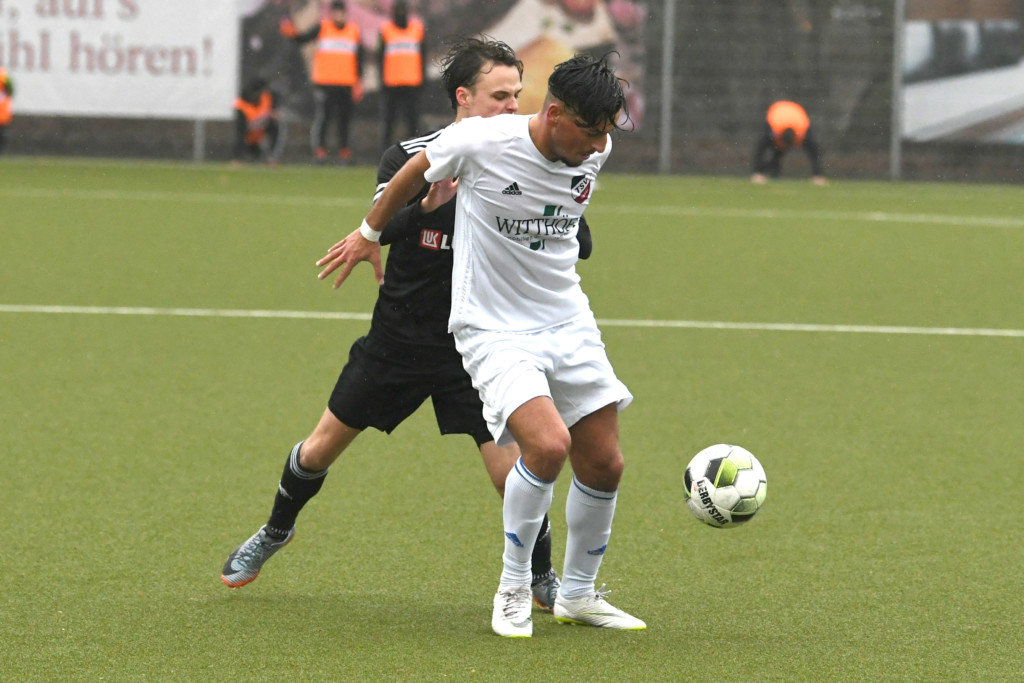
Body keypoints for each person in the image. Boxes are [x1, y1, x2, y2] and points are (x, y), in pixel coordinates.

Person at [221, 38, 585, 613]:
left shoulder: (530, 155)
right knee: (318, 451)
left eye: (517, 94)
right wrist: (431, 206)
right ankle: (275, 530)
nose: (513, 106)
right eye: (499, 95)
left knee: (514, 470)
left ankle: (541, 577)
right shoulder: (410, 156)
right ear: (463, 97)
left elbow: (576, 236)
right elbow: (382, 225)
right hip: (399, 339)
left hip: (481, 349)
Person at [316, 53, 644, 638]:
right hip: (490, 325)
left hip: (567, 319)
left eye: (606, 134)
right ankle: (514, 587)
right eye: (590, 132)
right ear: (555, 113)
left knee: (606, 462)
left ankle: (577, 595)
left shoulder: (595, 150)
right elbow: (415, 168)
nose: (599, 146)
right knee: (545, 447)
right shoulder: (481, 141)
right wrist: (369, 233)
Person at [281, 0, 363, 163]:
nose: (338, 15)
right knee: (324, 117)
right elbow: (303, 39)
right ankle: (320, 150)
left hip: (346, 83)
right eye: (336, 12)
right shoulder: (323, 28)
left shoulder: (353, 31)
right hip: (326, 82)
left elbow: (359, 59)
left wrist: (358, 82)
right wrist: (293, 34)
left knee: (344, 119)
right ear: (332, 13)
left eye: (341, 12)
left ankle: (344, 150)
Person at [377, 0, 426, 152]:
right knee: (389, 121)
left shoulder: (417, 30)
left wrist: (423, 79)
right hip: (391, 82)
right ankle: (385, 151)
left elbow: (423, 56)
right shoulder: (386, 30)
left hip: (412, 82)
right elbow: (380, 58)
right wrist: (382, 81)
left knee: (412, 121)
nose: (401, 14)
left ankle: (414, 152)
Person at [751, 100, 826, 185]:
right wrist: (757, 172)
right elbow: (760, 149)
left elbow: (814, 152)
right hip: (777, 110)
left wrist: (818, 174)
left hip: (795, 113)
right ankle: (761, 173)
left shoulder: (804, 131)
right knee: (773, 150)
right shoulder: (773, 128)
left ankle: (818, 176)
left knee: (812, 149)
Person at [232, 77, 285, 165]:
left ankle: (273, 158)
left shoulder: (268, 98)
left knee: (276, 126)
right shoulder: (242, 104)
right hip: (249, 136)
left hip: (263, 130)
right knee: (252, 154)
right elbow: (240, 132)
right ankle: (240, 157)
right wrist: (238, 155)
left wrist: (275, 111)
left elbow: (276, 106)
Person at [0, 67, 13, 155]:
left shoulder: (3, 74)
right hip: (3, 114)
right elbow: (11, 89)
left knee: (2, 134)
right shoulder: (3, 74)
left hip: (3, 114)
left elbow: (11, 89)